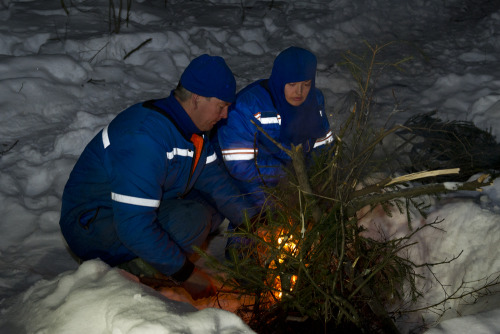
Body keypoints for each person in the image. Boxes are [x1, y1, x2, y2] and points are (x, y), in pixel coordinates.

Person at [59, 54, 258, 300]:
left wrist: (256, 221)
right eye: (221, 106)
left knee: (213, 209)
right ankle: (125, 273)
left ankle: (153, 260)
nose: (226, 115)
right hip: (93, 223)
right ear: (196, 98)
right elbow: (134, 225)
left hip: (123, 212)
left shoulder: (193, 131)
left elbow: (215, 182)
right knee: (192, 220)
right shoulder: (144, 138)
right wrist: (186, 274)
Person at [216, 46, 333, 208]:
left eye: (306, 84)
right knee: (266, 224)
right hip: (252, 182)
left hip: (296, 178)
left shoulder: (315, 101)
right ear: (279, 80)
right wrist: (284, 179)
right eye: (291, 84)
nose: (299, 92)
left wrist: (317, 183)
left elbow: (324, 148)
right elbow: (240, 168)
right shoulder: (247, 107)